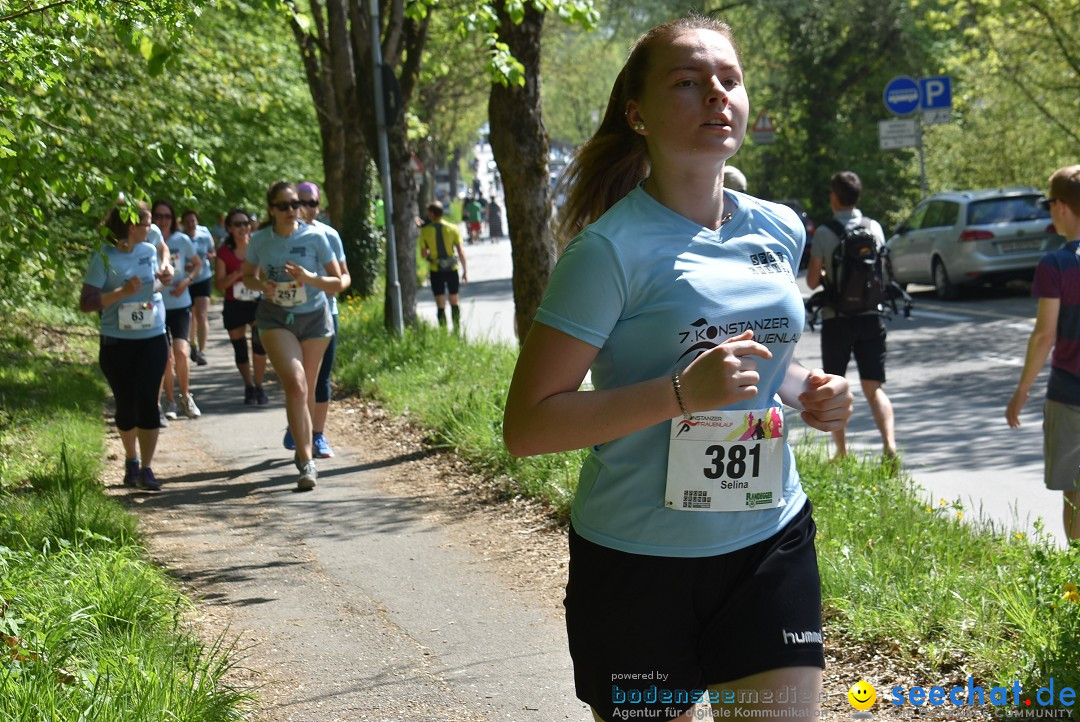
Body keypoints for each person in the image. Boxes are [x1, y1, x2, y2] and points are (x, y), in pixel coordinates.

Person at [501, 16, 852, 722]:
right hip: (636, 559)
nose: (716, 95)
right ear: (637, 114)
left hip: (767, 538)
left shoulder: (779, 227)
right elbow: (528, 426)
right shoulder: (606, 252)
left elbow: (759, 356)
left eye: (729, 80)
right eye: (688, 83)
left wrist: (806, 389)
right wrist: (680, 394)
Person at [242, 181, 342, 491]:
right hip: (275, 319)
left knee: (307, 388)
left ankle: (303, 446)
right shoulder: (259, 240)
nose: (292, 211)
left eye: (295, 204)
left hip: (314, 319)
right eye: (284, 205)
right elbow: (248, 276)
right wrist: (263, 286)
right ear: (271, 209)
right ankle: (307, 460)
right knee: (296, 384)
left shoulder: (317, 236)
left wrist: (309, 278)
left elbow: (339, 281)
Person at [1006, 165, 1080, 542]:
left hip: (1071, 394)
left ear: (1063, 207)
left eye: (1050, 202)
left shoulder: (1057, 264)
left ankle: (1075, 580)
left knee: (1075, 491)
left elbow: (1044, 335)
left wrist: (1022, 391)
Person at [805, 171, 896, 459]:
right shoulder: (874, 227)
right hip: (871, 317)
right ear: (858, 197)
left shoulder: (824, 232)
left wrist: (826, 272)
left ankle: (842, 452)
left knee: (834, 388)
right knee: (874, 388)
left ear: (834, 197)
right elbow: (880, 270)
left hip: (837, 319)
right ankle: (890, 445)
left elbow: (810, 282)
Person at [80, 200, 169, 491]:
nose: (151, 228)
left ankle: (147, 468)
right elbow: (87, 303)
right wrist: (121, 292)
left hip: (153, 337)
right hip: (117, 343)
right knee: (126, 404)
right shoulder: (103, 257)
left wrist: (162, 278)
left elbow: (153, 277)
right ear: (132, 227)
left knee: (148, 402)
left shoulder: (148, 248)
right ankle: (130, 458)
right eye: (146, 224)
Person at [288, 181, 352, 458]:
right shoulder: (284, 238)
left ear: (319, 205)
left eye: (312, 202)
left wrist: (320, 282)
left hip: (326, 315)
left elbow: (345, 277)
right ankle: (296, 423)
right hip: (292, 316)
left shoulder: (329, 235)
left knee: (322, 377)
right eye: (300, 202)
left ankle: (317, 435)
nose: (306, 208)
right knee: (297, 377)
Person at [153, 200, 202, 420]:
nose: (163, 221)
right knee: (165, 358)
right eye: (159, 216)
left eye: (167, 217)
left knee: (182, 352)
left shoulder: (182, 240)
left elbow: (197, 264)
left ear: (173, 220)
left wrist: (186, 281)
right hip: (156, 306)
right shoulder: (147, 241)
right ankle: (170, 400)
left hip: (180, 303)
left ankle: (185, 397)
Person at [215, 207, 269, 405]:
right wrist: (237, 274)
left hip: (256, 303)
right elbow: (219, 285)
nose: (242, 228)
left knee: (259, 344)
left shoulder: (257, 247)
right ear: (229, 228)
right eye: (237, 224)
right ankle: (248, 386)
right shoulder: (223, 252)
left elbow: (265, 274)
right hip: (234, 304)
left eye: (245, 223)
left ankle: (260, 385)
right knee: (240, 349)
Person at [418, 200, 468, 332]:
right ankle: (457, 330)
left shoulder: (425, 231)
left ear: (432, 214)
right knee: (454, 300)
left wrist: (429, 252)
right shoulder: (453, 228)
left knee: (440, 303)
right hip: (452, 269)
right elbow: (461, 251)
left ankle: (443, 331)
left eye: (428, 213)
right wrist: (465, 271)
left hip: (436, 270)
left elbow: (423, 254)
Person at [181, 208, 216, 366]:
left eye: (193, 221)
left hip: (203, 278)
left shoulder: (204, 235)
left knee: (201, 314)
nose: (190, 224)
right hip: (187, 280)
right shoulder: (179, 238)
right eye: (187, 221)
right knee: (190, 316)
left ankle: (201, 351)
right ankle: (192, 344)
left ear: (197, 221)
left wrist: (210, 256)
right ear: (183, 223)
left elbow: (212, 251)